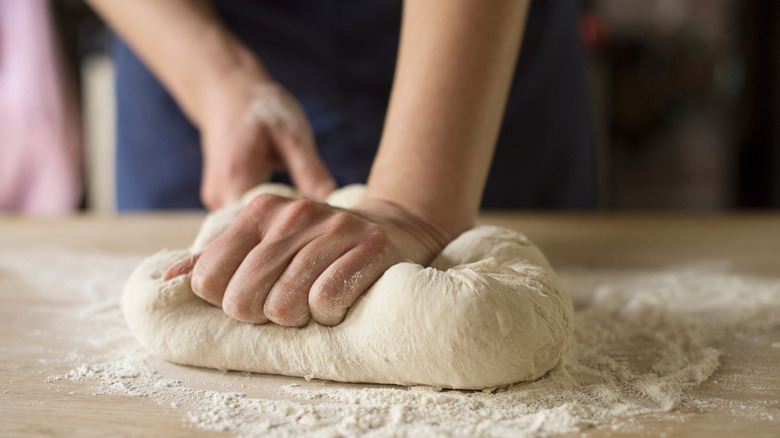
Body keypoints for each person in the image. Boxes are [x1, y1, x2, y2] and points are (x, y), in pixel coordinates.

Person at [87, 0, 595, 327]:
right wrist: (218, 78)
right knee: (200, 288)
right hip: (187, 29)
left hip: (467, 42)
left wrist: (415, 208)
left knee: (499, 313)